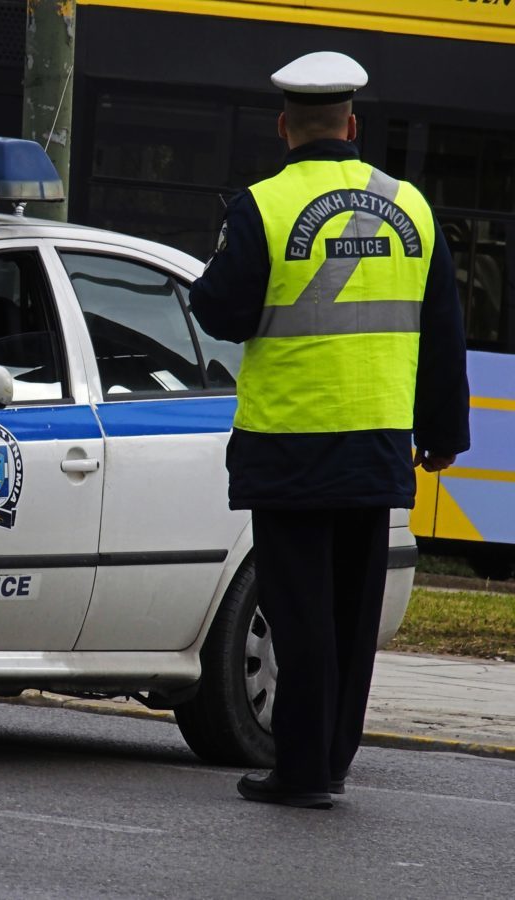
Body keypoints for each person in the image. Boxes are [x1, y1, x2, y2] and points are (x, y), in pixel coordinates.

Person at [189, 51, 470, 809]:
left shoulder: (264, 206)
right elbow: (444, 331)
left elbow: (220, 313)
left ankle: (303, 770)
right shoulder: (412, 208)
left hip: (291, 444)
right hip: (376, 445)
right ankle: (333, 762)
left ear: (285, 127)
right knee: (350, 616)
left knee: (298, 614)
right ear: (352, 126)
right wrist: (443, 432)